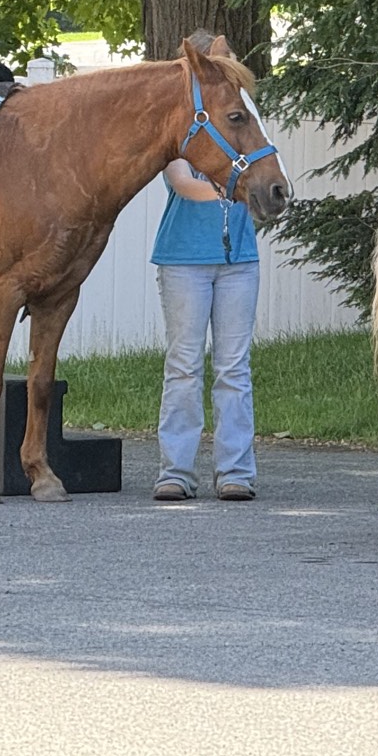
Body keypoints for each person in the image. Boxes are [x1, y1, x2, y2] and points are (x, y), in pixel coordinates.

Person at [150, 157, 262, 502]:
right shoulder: (180, 147)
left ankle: (236, 474)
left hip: (239, 262)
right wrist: (234, 189)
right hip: (183, 261)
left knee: (234, 368)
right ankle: (175, 474)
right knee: (184, 366)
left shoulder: (245, 144)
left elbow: (265, 185)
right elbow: (183, 184)